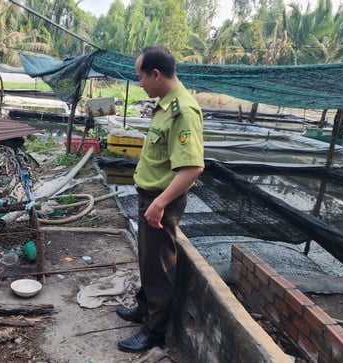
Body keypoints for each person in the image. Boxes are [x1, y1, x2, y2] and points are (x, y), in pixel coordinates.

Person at [116, 45, 205, 353]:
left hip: (160, 202)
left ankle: (153, 332)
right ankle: (144, 307)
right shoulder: (166, 104)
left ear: (155, 74)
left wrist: (160, 203)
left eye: (141, 77)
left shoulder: (183, 110)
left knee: (159, 267)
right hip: (151, 198)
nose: (140, 83)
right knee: (148, 261)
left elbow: (193, 167)